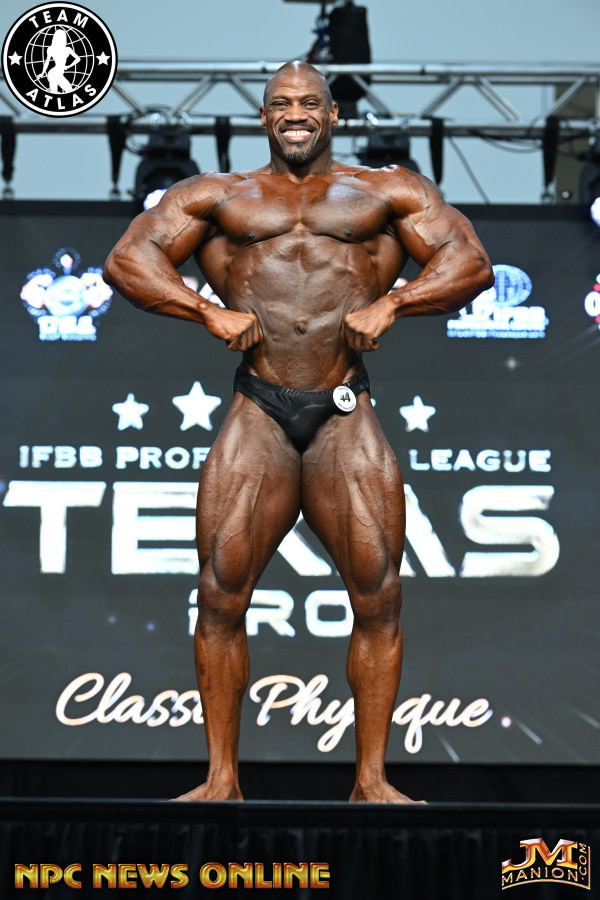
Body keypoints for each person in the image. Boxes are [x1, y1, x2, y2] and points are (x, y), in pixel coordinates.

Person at [104, 61, 493, 803]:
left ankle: (371, 781)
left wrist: (397, 302)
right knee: (220, 595)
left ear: (332, 114)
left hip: (344, 410)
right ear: (263, 117)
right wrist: (205, 309)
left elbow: (470, 263)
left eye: (309, 102)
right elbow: (128, 260)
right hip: (259, 409)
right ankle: (221, 779)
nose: (295, 113)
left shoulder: (387, 191)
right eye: (281, 103)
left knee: (379, 597)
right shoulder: (216, 196)